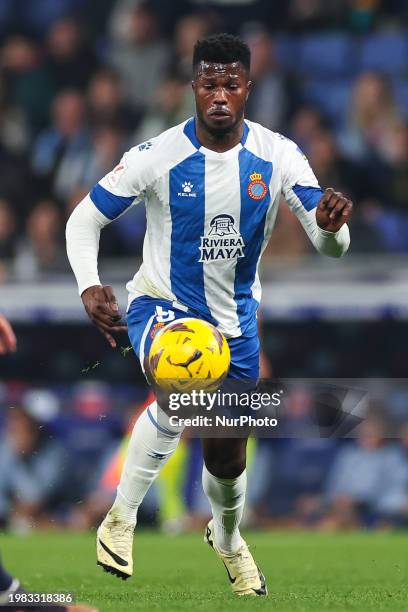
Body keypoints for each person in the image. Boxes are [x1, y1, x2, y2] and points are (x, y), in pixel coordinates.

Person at [66, 33, 352, 597]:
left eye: (231, 83)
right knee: (183, 378)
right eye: (209, 83)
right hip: (162, 305)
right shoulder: (157, 156)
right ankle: (119, 520)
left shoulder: (278, 155)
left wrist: (334, 224)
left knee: (226, 451)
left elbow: (329, 245)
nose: (220, 94)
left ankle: (226, 538)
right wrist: (90, 285)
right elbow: (83, 220)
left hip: (237, 325)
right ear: (193, 87)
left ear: (248, 88)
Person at [0, 315, 97, 612]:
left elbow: (31, 504)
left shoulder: (53, 453)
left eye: (26, 423)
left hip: (57, 518)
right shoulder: (8, 450)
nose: (18, 428)